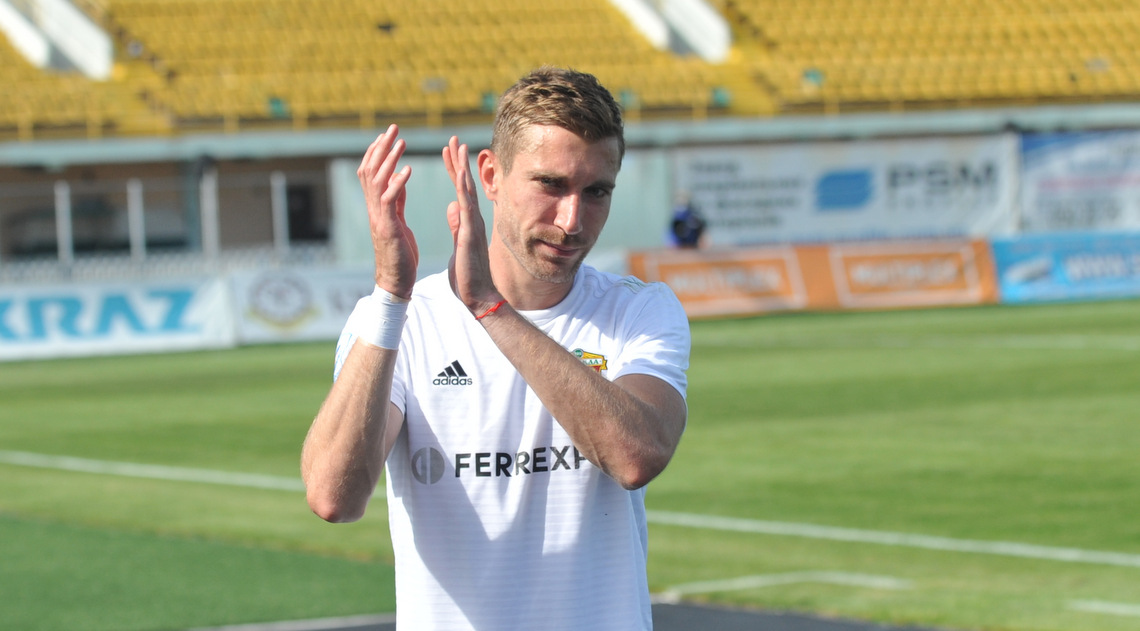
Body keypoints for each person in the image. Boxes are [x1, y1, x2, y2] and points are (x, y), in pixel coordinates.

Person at [301, 66, 691, 630]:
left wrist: (490, 309)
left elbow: (636, 457)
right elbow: (334, 497)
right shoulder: (402, 321)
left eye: (596, 191)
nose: (571, 220)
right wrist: (390, 294)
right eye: (550, 184)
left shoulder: (639, 310)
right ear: (490, 174)